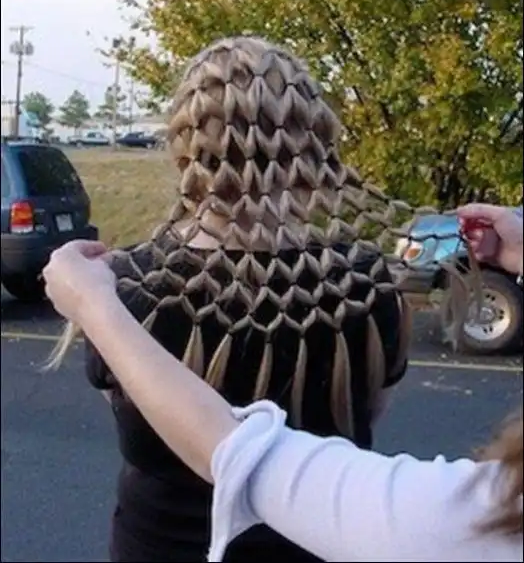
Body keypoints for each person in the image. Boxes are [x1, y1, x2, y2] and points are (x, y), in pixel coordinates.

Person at [48, 37, 413, 562]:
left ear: (186, 146)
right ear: (311, 142)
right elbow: (370, 413)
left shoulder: (123, 288)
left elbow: (140, 410)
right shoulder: (365, 285)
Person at [44, 196, 524, 563]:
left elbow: (235, 457)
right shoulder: (363, 283)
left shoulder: (132, 281)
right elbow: (366, 409)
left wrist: (95, 306)